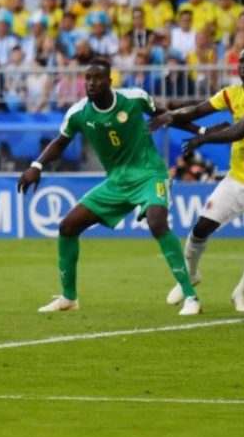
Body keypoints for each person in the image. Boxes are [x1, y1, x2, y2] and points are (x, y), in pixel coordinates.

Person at [17, 58, 202, 315]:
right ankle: (69, 298)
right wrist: (36, 165)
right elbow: (60, 142)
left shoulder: (134, 98)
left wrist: (201, 131)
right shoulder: (79, 113)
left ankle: (191, 297)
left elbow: (167, 115)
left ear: (109, 81)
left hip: (149, 174)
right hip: (116, 182)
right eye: (88, 79)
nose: (91, 83)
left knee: (157, 222)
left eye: (97, 78)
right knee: (67, 227)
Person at [151, 43, 244, 313]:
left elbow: (240, 130)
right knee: (200, 229)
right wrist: (170, 115)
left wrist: (203, 138)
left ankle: (241, 292)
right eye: (242, 61)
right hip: (237, 178)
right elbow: (197, 110)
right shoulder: (231, 93)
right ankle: (190, 274)